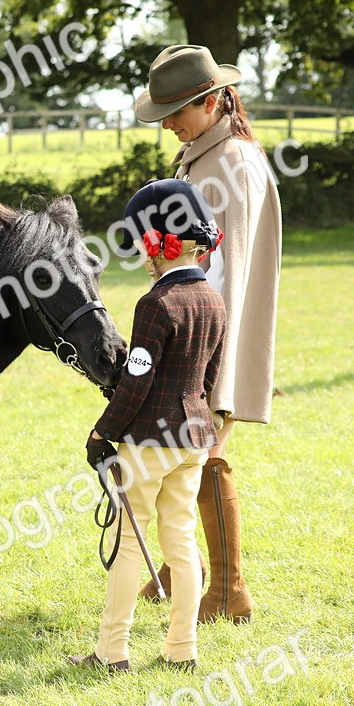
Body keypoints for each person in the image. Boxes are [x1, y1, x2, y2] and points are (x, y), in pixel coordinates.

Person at [131, 44, 283, 624]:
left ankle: (228, 590)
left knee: (206, 450)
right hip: (201, 326)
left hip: (210, 333)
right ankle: (183, 569)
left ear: (213, 102)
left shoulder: (233, 162)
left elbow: (224, 268)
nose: (167, 124)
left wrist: (195, 347)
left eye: (176, 112)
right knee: (187, 451)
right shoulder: (206, 155)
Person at [70, 179, 226, 673]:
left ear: (161, 245)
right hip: (194, 438)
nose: (141, 254)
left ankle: (112, 651)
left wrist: (102, 432)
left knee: (128, 542)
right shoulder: (214, 300)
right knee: (180, 538)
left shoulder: (155, 305)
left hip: (151, 441)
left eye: (143, 243)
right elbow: (210, 377)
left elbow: (137, 383)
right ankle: (182, 648)